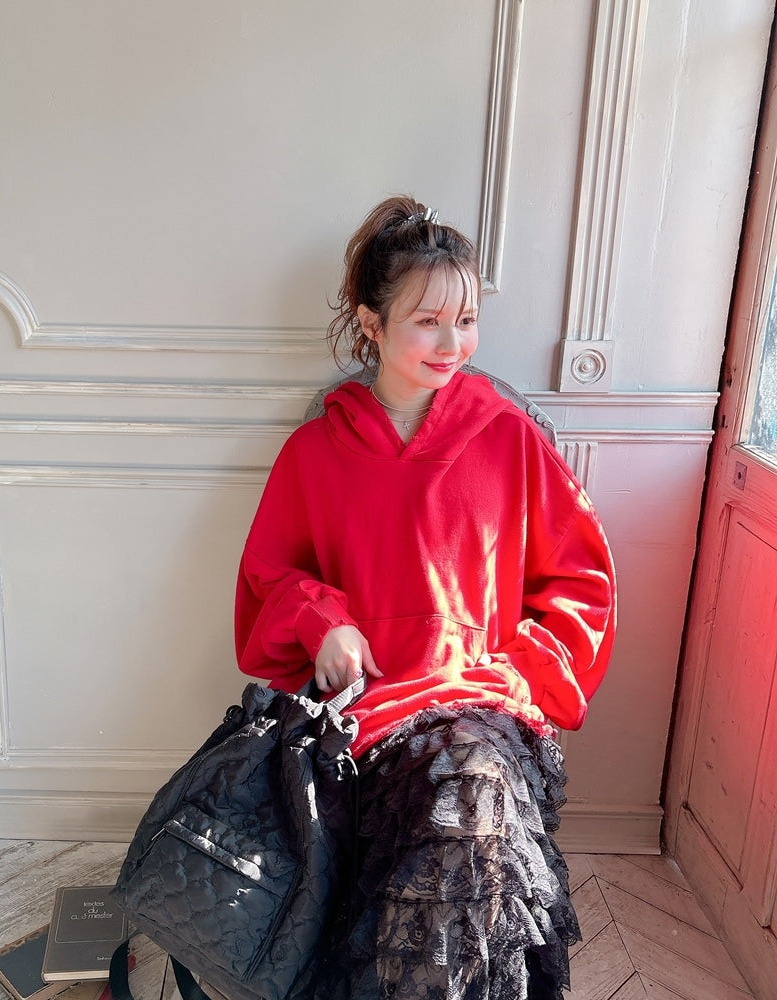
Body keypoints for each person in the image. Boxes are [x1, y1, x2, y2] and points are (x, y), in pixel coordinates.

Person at [233, 195, 616, 999]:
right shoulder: (314, 452)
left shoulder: (508, 438)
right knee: (426, 844)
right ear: (371, 323)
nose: (453, 345)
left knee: (471, 811)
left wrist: (520, 671)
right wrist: (323, 623)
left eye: (467, 321)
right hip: (367, 708)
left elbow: (582, 583)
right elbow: (271, 576)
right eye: (429, 322)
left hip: (480, 705)